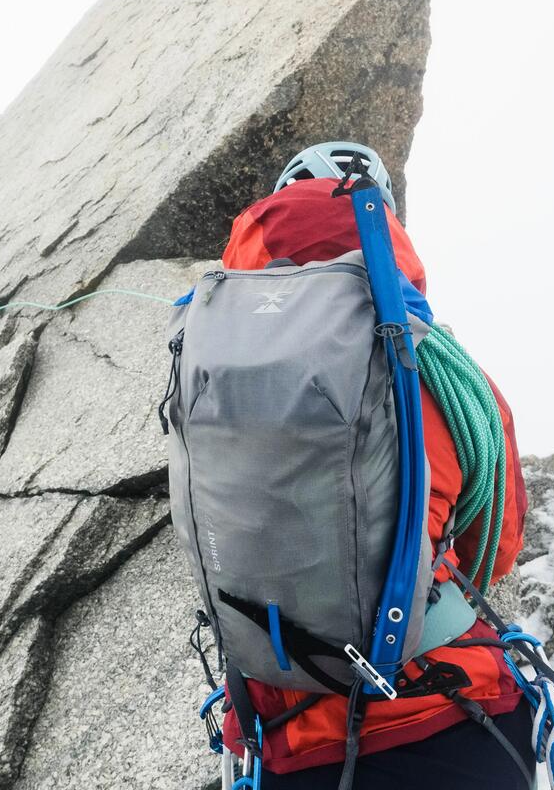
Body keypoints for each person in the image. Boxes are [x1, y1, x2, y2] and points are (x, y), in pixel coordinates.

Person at [218, 142, 532, 789]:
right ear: (383, 225)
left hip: (287, 739)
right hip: (448, 709)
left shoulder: (210, 372)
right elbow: (492, 554)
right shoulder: (444, 369)